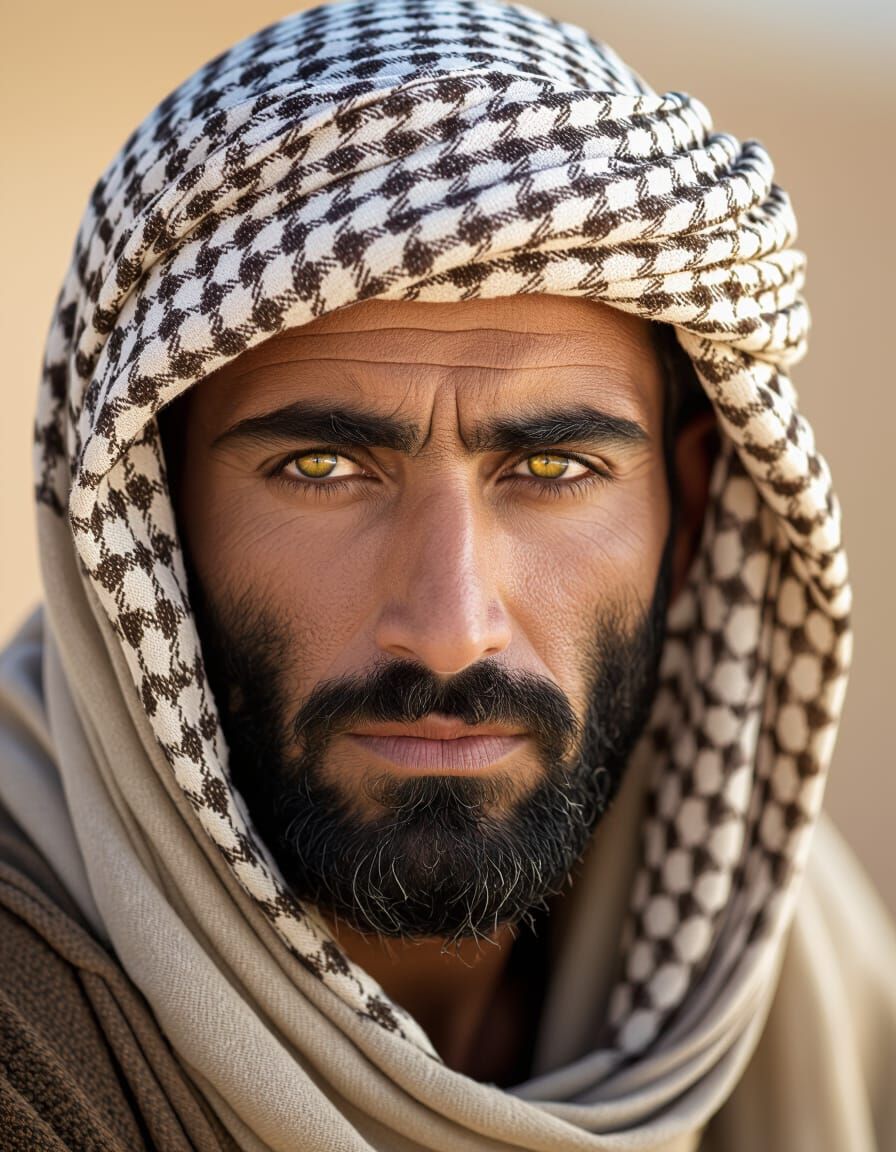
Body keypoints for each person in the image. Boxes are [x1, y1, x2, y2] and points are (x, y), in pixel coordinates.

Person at [1, 1, 894, 1149]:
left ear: (690, 514)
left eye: (552, 465)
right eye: (321, 466)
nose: (448, 629)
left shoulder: (782, 944)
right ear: (158, 523)